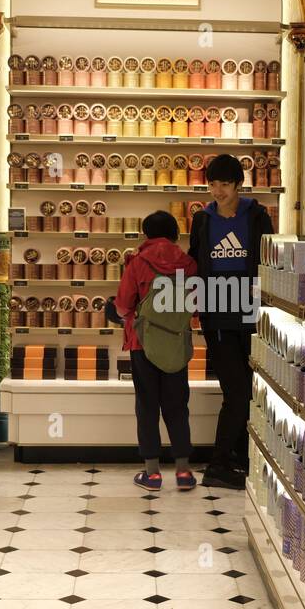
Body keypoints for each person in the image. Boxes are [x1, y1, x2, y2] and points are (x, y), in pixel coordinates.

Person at [189, 154, 274, 490]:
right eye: (212, 184)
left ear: (239, 184)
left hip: (252, 312)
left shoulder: (257, 216)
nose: (218, 191)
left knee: (250, 390)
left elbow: (270, 260)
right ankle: (218, 464)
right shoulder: (203, 219)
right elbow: (195, 261)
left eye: (224, 184)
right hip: (217, 314)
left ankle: (238, 456)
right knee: (236, 391)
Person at [115, 210, 199, 491]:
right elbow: (195, 305)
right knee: (177, 406)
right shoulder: (188, 263)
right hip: (176, 342)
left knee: (147, 406)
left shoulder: (138, 262)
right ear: (175, 234)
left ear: (146, 235)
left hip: (143, 344)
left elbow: (124, 305)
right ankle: (184, 472)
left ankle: (152, 474)